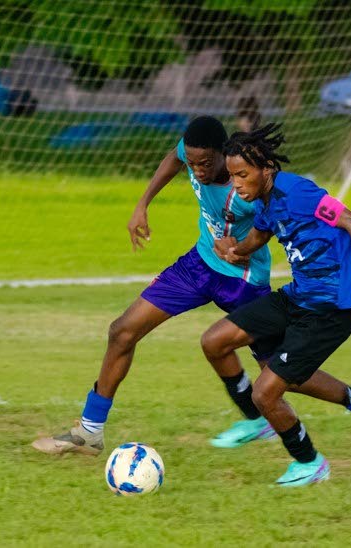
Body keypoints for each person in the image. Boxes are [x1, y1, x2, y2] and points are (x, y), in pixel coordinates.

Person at [32, 116, 276, 455]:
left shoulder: (247, 184)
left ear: (223, 154)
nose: (198, 170)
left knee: (281, 373)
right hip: (199, 264)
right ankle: (90, 431)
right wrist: (142, 204)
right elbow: (174, 158)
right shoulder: (191, 153)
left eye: (204, 164)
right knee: (122, 330)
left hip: (244, 280)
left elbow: (271, 223)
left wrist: (240, 248)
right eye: (193, 164)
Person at [201, 123, 351, 487]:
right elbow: (258, 236)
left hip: (330, 310)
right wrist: (233, 250)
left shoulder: (298, 191)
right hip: (298, 297)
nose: (236, 183)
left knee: (267, 391)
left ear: (266, 168)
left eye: (242, 174)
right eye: (232, 175)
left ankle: (310, 464)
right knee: (215, 341)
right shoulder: (265, 203)